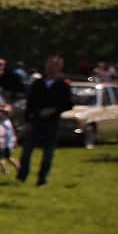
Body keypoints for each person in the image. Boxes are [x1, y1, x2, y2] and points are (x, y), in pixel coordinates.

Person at [18, 55, 71, 185]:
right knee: (26, 151)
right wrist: (27, 121)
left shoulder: (63, 85)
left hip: (52, 123)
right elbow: (29, 104)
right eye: (49, 65)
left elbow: (68, 104)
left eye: (54, 66)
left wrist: (54, 110)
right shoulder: (38, 83)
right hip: (36, 122)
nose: (50, 68)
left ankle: (42, 178)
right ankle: (22, 176)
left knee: (48, 153)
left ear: (60, 67)